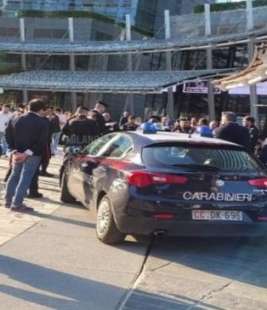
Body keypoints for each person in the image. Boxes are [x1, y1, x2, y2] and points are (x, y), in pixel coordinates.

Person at [4, 99, 48, 212]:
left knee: (14, 175)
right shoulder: (43, 122)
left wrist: (13, 150)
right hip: (33, 154)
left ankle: (8, 201)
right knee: (25, 178)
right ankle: (17, 204)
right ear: (40, 109)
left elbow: (7, 135)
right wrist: (27, 153)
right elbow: (42, 141)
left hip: (17, 152)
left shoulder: (15, 118)